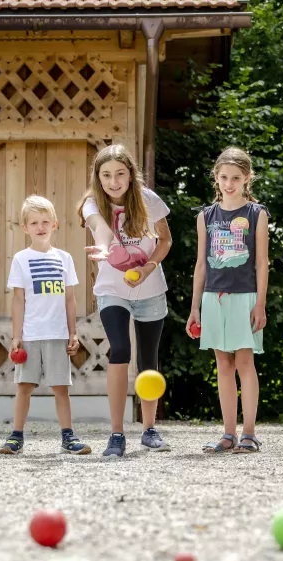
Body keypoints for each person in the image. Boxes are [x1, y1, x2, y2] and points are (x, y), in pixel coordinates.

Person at [78, 145, 173, 457]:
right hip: (112, 289)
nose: (113, 181)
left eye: (120, 174)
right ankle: (116, 434)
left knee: (149, 360)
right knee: (120, 349)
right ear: (98, 177)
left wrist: (147, 268)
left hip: (150, 290)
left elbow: (165, 240)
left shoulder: (149, 200)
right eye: (106, 175)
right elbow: (100, 229)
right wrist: (105, 249)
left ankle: (149, 430)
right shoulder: (92, 203)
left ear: (131, 175)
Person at [186, 147, 270, 454]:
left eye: (236, 177)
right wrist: (195, 307)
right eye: (223, 177)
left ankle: (249, 433)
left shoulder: (256, 214)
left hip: (245, 296)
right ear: (216, 178)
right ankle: (228, 434)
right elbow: (201, 265)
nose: (229, 183)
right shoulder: (205, 216)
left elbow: (262, 263)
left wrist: (260, 304)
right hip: (212, 298)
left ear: (247, 178)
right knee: (223, 364)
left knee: (245, 362)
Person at [0, 195, 90, 456]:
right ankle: (16, 437)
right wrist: (17, 336)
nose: (41, 227)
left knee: (61, 388)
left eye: (45, 221)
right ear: (25, 227)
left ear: (55, 224)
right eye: (34, 222)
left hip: (58, 334)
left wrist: (73, 333)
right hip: (30, 334)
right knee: (24, 387)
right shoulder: (20, 259)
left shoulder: (64, 258)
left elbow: (70, 299)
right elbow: (18, 299)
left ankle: (68, 436)